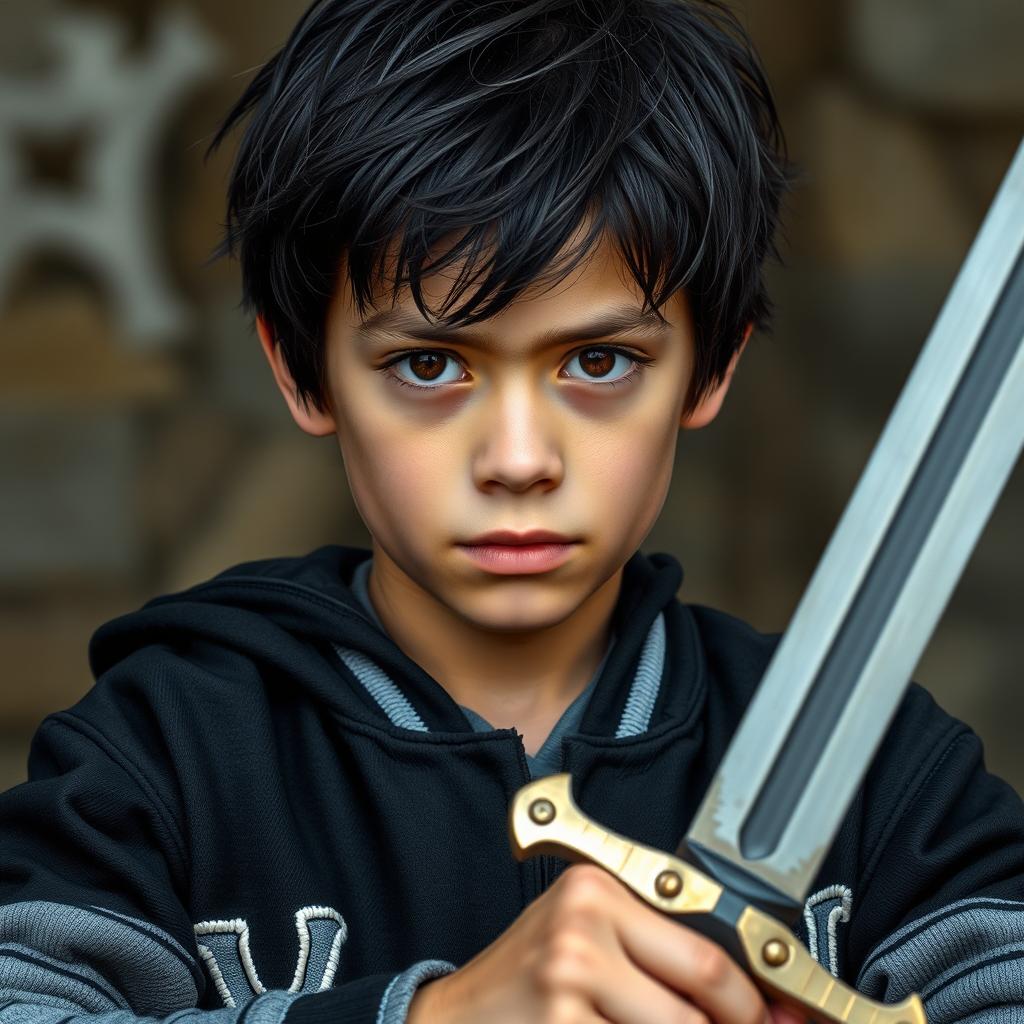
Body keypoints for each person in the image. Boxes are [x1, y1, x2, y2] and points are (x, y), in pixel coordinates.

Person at [2, 2, 1022, 1023]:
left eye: (598, 362)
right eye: (430, 365)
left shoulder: (883, 777)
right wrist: (431, 1017)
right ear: (304, 375)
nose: (519, 460)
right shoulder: (162, 756)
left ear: (709, 367)